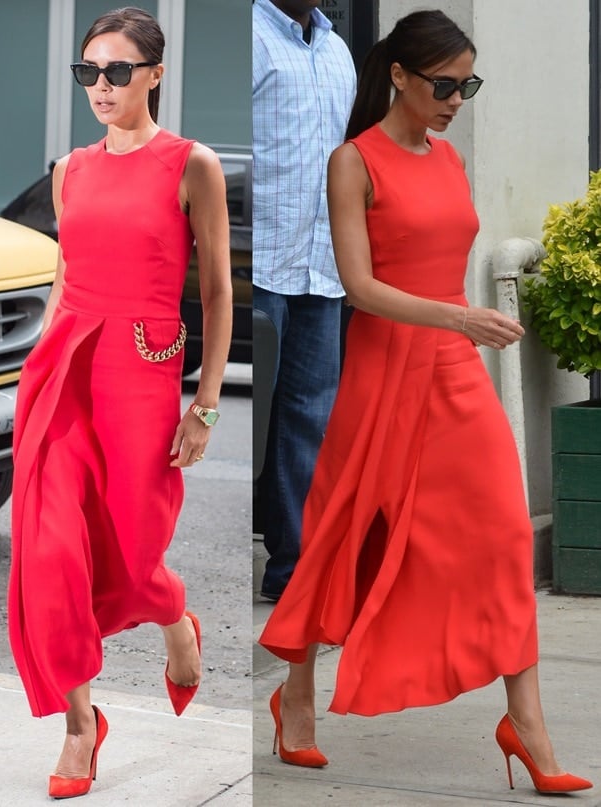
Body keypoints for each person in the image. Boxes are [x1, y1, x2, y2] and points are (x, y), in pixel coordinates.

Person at [259, 9, 593, 795]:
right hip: (386, 366)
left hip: (454, 369)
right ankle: (296, 697)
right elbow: (360, 286)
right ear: (401, 76)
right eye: (444, 84)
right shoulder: (353, 161)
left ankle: (527, 724)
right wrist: (461, 316)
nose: (455, 100)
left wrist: (459, 324)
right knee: (340, 533)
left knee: (506, 534)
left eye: (467, 85)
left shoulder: (448, 161)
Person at [7, 6, 232, 799]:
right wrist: (37, 367)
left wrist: (203, 404)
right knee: (50, 555)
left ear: (155, 74)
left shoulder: (191, 164)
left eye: (117, 72)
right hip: (64, 372)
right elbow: (69, 277)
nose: (100, 88)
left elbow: (217, 290)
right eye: (88, 73)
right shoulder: (70, 169)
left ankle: (175, 616)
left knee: (133, 556)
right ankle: (80, 726)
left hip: (141, 376)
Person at [252, 0, 356, 601]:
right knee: (259, 423)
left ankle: (294, 574)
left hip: (322, 268)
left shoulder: (338, 51)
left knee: (309, 425)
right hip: (264, 266)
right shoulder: (254, 37)